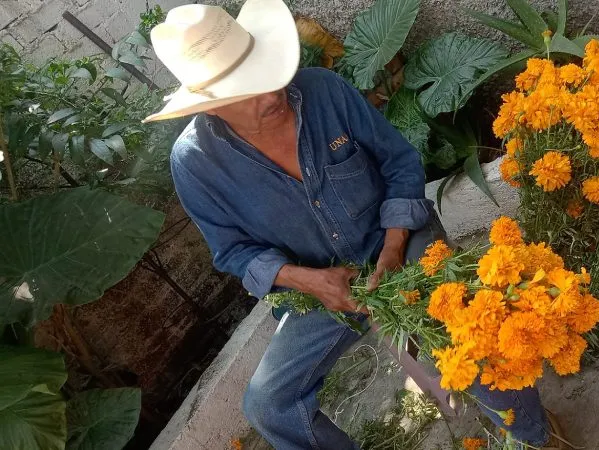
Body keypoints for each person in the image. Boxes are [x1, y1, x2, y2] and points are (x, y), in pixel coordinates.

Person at [142, 1, 570, 449]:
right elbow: (233, 252)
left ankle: (536, 433)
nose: (271, 95)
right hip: (321, 290)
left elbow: (400, 163)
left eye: (267, 74)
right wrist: (308, 281)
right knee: (268, 405)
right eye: (247, 93)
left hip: (400, 243)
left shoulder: (323, 91)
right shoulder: (194, 165)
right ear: (211, 109)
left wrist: (394, 243)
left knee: (466, 327)